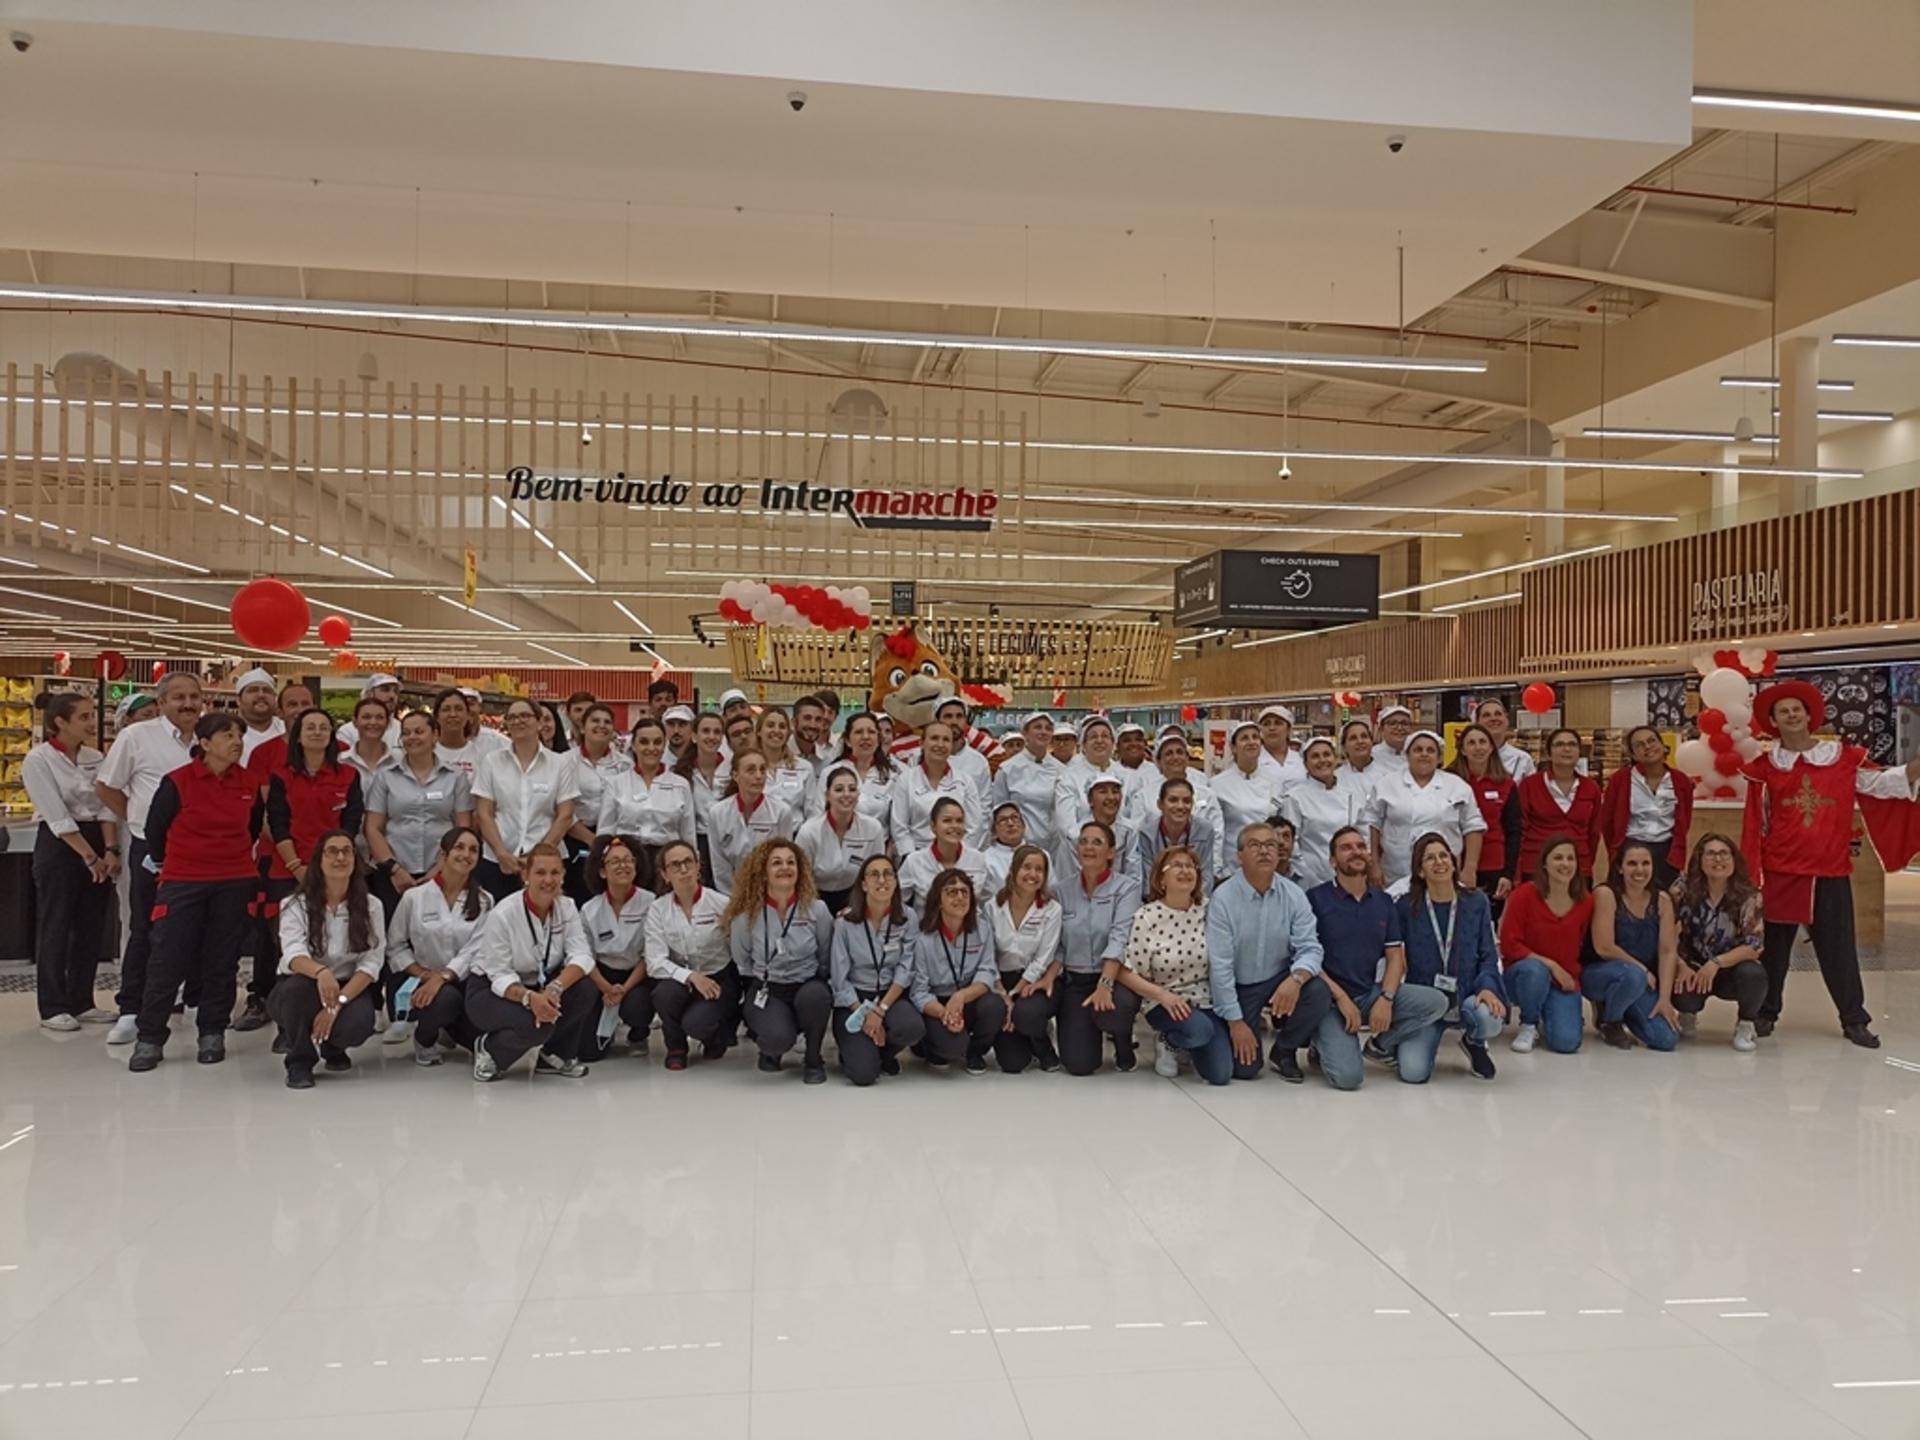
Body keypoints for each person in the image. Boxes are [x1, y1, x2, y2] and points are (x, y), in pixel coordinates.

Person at [1740, 679, 1920, 1048]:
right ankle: (1766, 1012)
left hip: (1829, 869)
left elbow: (1884, 784)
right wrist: (1752, 872)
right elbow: (1756, 821)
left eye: (1797, 709)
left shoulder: (1843, 759)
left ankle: (1854, 1019)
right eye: (1783, 711)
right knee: (1774, 951)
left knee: (1839, 949)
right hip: (1780, 870)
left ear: (1809, 716)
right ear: (1773, 721)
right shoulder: (1765, 768)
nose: (1791, 715)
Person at [125, 711, 257, 1072]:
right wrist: (173, 864)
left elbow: (252, 826)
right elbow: (155, 830)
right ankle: (150, 1036)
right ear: (205, 743)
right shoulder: (178, 781)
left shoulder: (248, 782)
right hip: (184, 880)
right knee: (167, 959)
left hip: (234, 879)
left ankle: (212, 1031)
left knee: (222, 959)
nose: (236, 742)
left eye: (239, 735)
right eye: (228, 735)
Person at [95, 670, 201, 1046]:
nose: (187, 704)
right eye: (178, 697)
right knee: (145, 928)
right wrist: (141, 820)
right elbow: (106, 786)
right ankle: (131, 1008)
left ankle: (194, 1001)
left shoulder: (209, 737)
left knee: (197, 927)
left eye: (194, 697)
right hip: (151, 849)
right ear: (162, 702)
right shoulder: (137, 736)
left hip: (199, 849)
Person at [246, 707, 366, 1033]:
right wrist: (297, 866)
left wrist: (330, 867)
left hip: (335, 868)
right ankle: (282, 1019)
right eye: (309, 727)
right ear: (297, 736)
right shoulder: (281, 775)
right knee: (282, 942)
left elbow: (350, 824)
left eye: (323, 727)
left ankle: (329, 1005)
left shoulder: (348, 775)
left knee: (326, 934)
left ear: (332, 736)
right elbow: (277, 823)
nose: (316, 732)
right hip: (288, 869)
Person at [1306, 827, 1447, 1090]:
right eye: (1346, 848)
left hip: (1368, 994)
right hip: (1330, 1001)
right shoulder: (1315, 899)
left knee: (1436, 1002)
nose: (1356, 852)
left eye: (1361, 846)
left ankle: (1380, 1045)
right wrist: (1341, 999)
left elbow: (1395, 958)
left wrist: (1386, 998)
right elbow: (1308, 959)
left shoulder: (1383, 902)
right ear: (1333, 861)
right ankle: (1319, 1043)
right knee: (1349, 1079)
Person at [1205, 822, 1332, 1083]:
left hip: (1278, 978)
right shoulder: (1223, 898)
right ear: (1239, 856)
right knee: (1245, 1070)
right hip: (1239, 986)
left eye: (1270, 845)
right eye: (1255, 845)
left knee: (1318, 990)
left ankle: (1284, 1049)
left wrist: (1295, 979)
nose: (1264, 851)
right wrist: (1235, 1022)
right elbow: (1220, 967)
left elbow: (1311, 948)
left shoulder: (1294, 894)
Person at [23, 691, 119, 1031]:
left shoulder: (96, 757)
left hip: (96, 840)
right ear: (60, 722)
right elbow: (56, 814)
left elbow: (106, 804)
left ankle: (82, 1001)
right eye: (84, 717)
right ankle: (53, 1006)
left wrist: (110, 850)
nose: (92, 722)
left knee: (90, 925)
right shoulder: (38, 759)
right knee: (57, 924)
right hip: (61, 845)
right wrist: (89, 856)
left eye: (93, 715)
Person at [1014, 821, 1143, 1074]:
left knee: (1117, 1010)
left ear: (1111, 852)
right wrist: (1048, 977)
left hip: (1113, 977)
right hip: (1074, 981)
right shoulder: (1061, 891)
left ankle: (1123, 1043)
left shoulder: (1126, 888)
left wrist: (1105, 985)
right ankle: (1046, 1049)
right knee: (1079, 1065)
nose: (1088, 847)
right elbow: (1058, 944)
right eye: (1083, 841)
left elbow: (1119, 938)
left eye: (1097, 842)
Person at [464, 844, 597, 1080]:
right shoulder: (503, 914)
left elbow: (582, 956)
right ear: (526, 875)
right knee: (537, 1026)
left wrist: (555, 988)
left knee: (585, 989)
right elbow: (499, 975)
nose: (548, 880)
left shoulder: (567, 907)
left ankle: (553, 1054)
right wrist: (529, 998)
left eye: (555, 873)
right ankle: (490, 1050)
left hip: (541, 985)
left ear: (563, 875)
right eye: (540, 873)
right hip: (491, 990)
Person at [269, 830, 385, 1088]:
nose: (340, 858)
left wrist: (336, 1005)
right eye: (332, 851)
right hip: (303, 982)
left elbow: (371, 962)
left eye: (347, 851)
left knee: (359, 1023)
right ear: (319, 861)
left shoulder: (372, 906)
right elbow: (293, 954)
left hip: (347, 987)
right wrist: (322, 973)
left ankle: (333, 1046)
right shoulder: (294, 904)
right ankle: (299, 1062)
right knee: (296, 993)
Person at [1397, 831, 1507, 1081]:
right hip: (1428, 1001)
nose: (1439, 862)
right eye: (1430, 858)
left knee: (1489, 1017)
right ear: (1420, 871)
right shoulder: (1406, 907)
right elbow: (1394, 957)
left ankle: (1474, 1041)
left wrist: (1488, 988)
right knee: (1413, 1073)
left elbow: (1488, 955)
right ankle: (1408, 1043)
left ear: (1453, 862)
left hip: (1467, 992)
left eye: (1444, 856)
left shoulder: (1476, 902)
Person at [727, 838, 836, 1083]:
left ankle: (813, 1058)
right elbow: (742, 960)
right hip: (768, 988)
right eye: (776, 863)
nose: (785, 868)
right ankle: (772, 1045)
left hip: (806, 985)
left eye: (790, 862)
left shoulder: (817, 910)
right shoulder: (746, 916)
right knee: (777, 1038)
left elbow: (825, 955)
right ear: (763, 872)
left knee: (817, 996)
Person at [1118, 845, 1228, 1083]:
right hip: (1164, 1001)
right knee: (1200, 1030)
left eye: (1190, 866)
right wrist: (1163, 996)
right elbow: (1126, 972)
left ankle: (1190, 1041)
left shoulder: (1209, 910)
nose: (1185, 871)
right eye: (1177, 865)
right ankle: (1169, 1040)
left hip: (1206, 1000)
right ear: (1161, 878)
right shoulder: (1146, 917)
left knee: (1220, 1075)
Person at [385, 825, 491, 1065]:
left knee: (480, 1041)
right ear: (443, 855)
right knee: (445, 1000)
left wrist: (444, 976)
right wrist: (424, 975)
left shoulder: (485, 900)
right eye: (459, 848)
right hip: (422, 981)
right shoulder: (415, 897)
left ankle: (449, 1029)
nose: (466, 854)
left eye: (473, 850)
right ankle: (425, 1038)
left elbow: (476, 950)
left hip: (466, 981)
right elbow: (395, 946)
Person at [365, 710, 474, 917]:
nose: (411, 737)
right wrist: (394, 869)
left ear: (435, 735)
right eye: (406, 733)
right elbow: (372, 828)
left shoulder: (455, 777)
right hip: (394, 872)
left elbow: (463, 829)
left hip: (444, 870)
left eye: (419, 731)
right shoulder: (385, 776)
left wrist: (439, 869)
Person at [472, 696, 581, 900]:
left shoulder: (560, 764)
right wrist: (501, 853)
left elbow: (565, 814)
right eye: (512, 717)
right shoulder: (492, 762)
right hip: (498, 861)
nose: (518, 721)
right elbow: (484, 813)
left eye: (525, 715)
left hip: (546, 864)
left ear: (539, 722)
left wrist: (539, 855)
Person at [828, 854, 924, 1085]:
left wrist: (880, 1011)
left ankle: (884, 1053)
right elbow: (839, 978)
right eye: (874, 874)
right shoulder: (845, 923)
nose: (882, 880)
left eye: (888, 874)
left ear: (896, 881)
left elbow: (906, 968)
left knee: (912, 1028)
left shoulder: (908, 917)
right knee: (863, 1076)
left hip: (890, 996)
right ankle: (858, 1052)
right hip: (855, 1000)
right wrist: (864, 1013)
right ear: (863, 884)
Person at [644, 839, 738, 1069]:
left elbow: (737, 949)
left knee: (696, 1023)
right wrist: (691, 977)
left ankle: (715, 1036)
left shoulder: (721, 903)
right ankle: (676, 1047)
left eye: (688, 862)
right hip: (682, 979)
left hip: (717, 980)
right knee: (664, 994)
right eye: (675, 865)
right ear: (665, 875)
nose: (683, 869)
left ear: (698, 866)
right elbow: (654, 962)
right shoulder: (658, 909)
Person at [1669, 834, 1767, 1051]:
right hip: (1693, 966)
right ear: (1699, 859)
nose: (1718, 859)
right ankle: (1687, 1012)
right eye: (1711, 854)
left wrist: (1716, 963)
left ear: (1734, 859)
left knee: (1754, 974)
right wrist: (1679, 964)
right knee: (1682, 992)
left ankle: (1746, 1023)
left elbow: (1754, 946)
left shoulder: (1749, 895)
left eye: (1724, 854)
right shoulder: (1682, 888)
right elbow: (1662, 932)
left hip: (1731, 967)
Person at [1499, 836, 1593, 1055]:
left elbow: (1584, 944)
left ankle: (1549, 1012)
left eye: (1570, 858)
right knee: (1535, 971)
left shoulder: (1586, 901)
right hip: (1525, 975)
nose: (1565, 864)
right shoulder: (1523, 895)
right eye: (1558, 858)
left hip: (1563, 980)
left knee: (1567, 1043)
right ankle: (1529, 1023)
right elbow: (1509, 945)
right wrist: (1551, 965)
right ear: (1544, 864)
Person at [906, 868, 1005, 1072]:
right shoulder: (923, 939)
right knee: (951, 1048)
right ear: (939, 900)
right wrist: (945, 1013)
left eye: (964, 892)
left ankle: (975, 1052)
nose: (959, 897)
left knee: (994, 1005)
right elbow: (919, 992)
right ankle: (930, 1045)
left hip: (967, 997)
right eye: (952, 892)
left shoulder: (982, 929)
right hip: (936, 1003)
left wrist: (961, 997)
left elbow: (987, 972)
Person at [1587, 839, 1682, 1052]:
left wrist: (1664, 999)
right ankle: (1609, 1021)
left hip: (1641, 981)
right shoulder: (1606, 894)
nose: (1640, 870)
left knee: (1666, 1040)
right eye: (1632, 863)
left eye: (1645, 863)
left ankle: (1624, 1007)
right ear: (1620, 868)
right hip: (1602, 974)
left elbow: (1667, 951)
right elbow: (1604, 947)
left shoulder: (1662, 900)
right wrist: (1642, 970)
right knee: (1633, 976)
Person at [1365, 730, 1484, 889]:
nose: (1424, 754)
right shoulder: (1386, 784)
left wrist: (1470, 869)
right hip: (1397, 871)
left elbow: (1473, 826)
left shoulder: (1458, 786)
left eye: (1430, 750)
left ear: (1439, 757)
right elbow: (1371, 824)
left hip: (1444, 872)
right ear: (1407, 755)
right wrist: (1374, 864)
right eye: (1418, 750)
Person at [578, 835, 657, 1061]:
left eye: (628, 860)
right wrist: (606, 988)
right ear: (602, 871)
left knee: (637, 1005)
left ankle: (639, 1033)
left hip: (639, 975)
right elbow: (585, 957)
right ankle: (606, 1028)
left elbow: (651, 955)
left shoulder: (652, 903)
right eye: (615, 861)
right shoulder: (589, 910)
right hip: (602, 976)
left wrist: (623, 989)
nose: (623, 865)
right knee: (588, 1053)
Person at [989, 843, 1064, 1073]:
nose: (1032, 874)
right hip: (1001, 981)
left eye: (1039, 869)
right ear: (1013, 870)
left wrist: (1015, 994)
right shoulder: (993, 906)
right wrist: (1003, 994)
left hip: (1036, 982)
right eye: (1026, 867)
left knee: (1026, 1014)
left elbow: (1043, 958)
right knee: (1012, 1064)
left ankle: (1042, 1044)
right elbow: (987, 956)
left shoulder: (1052, 909)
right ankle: (1025, 1032)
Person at [599, 714, 697, 881]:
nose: (651, 748)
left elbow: (688, 834)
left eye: (657, 742)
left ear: (664, 745)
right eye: (644, 742)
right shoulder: (615, 783)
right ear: (634, 745)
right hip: (627, 861)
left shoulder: (681, 784)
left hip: (668, 862)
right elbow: (605, 831)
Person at [1601, 725, 1695, 891]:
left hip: (1667, 854)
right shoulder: (1620, 780)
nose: (1647, 746)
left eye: (1652, 741)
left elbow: (1684, 820)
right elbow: (1607, 821)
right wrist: (1618, 851)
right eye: (1639, 745)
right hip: (1630, 850)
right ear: (1633, 755)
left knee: (1666, 901)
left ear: (1662, 745)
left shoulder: (1681, 781)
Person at [797, 764, 890, 912]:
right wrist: (816, 909)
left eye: (852, 789)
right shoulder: (809, 832)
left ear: (858, 795)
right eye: (839, 789)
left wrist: (858, 908)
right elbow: (801, 880)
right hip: (814, 898)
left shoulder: (873, 828)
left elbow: (876, 874)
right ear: (827, 795)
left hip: (856, 898)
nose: (846, 794)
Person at [1280, 736, 1368, 891]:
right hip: (1310, 880)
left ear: (1335, 758)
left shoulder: (1351, 794)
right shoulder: (1294, 797)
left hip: (1350, 876)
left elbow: (1364, 834)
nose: (1322, 760)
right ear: (1305, 764)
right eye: (1315, 756)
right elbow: (1292, 844)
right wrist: (1309, 878)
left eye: (1327, 754)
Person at [1515, 727, 1603, 881]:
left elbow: (1594, 833)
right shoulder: (1529, 785)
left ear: (1579, 752)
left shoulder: (1591, 788)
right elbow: (1519, 829)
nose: (1566, 749)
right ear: (1549, 753)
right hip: (1536, 866)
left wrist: (1587, 862)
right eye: (1559, 744)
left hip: (1578, 867)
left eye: (1572, 744)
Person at [1448, 723, 1520, 901]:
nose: (1478, 747)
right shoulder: (1448, 781)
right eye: (1471, 743)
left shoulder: (1506, 784)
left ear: (1491, 748)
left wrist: (1508, 874)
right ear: (1462, 750)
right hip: (1453, 863)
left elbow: (1514, 832)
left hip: (1494, 865)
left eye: (1482, 742)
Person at [708, 749, 795, 891]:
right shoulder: (717, 813)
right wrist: (732, 897)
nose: (759, 776)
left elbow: (784, 861)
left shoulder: (781, 812)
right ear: (735, 775)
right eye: (751, 770)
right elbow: (719, 865)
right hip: (731, 893)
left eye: (762, 770)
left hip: (771, 891)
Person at [891, 719, 983, 852]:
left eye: (946, 740)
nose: (940, 744)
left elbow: (974, 827)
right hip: (916, 854)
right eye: (934, 738)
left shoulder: (966, 781)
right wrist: (912, 858)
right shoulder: (906, 780)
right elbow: (899, 827)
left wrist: (959, 856)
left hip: (956, 855)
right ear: (922, 743)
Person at [564, 703, 629, 889]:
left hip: (614, 839)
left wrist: (606, 841)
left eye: (607, 722)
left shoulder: (625, 764)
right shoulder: (564, 761)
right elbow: (560, 805)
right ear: (582, 728)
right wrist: (590, 839)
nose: (601, 725)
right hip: (574, 836)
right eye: (595, 721)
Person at [1052, 715, 1146, 840]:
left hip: (1123, 846)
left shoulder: (1130, 777)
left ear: (1113, 743)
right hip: (1080, 847)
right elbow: (1066, 827)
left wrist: (1117, 843)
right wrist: (1095, 844)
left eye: (1105, 736)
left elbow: (1137, 820)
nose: (1099, 741)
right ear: (1083, 745)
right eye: (1093, 737)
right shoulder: (1068, 778)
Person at [1211, 721, 1282, 881]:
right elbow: (1216, 831)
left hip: (1267, 864)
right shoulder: (1217, 784)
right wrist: (1217, 868)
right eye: (1244, 738)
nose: (1251, 742)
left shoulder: (1274, 782)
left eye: (1255, 737)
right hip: (1231, 867)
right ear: (1233, 747)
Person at [899, 795, 992, 906]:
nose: (955, 826)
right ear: (933, 826)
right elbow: (896, 900)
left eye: (959, 821)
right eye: (947, 820)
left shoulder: (978, 859)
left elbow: (987, 901)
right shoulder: (914, 861)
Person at [990, 711, 1064, 847]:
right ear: (1025, 733)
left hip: (1055, 845)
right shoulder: (1007, 769)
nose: (1043, 732)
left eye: (1048, 728)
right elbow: (999, 809)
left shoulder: (1061, 770)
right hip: (1018, 845)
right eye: (1037, 727)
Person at [813, 710, 898, 828]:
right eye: (859, 732)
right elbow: (818, 816)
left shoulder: (893, 776)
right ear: (847, 741)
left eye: (871, 732)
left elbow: (898, 821)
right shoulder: (830, 772)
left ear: (878, 740)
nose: (866, 737)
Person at [673, 710, 729, 881]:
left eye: (717, 732)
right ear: (694, 736)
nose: (711, 737)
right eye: (706, 731)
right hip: (697, 841)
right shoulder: (680, 773)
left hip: (727, 842)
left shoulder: (732, 769)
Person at [1137, 776, 1216, 890]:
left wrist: (1193, 899)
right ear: (1160, 804)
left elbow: (1205, 876)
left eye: (1186, 801)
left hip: (1195, 897)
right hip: (1158, 897)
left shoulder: (1205, 830)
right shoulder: (1146, 834)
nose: (1180, 806)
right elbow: (1148, 880)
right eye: (1173, 800)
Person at [756, 705, 815, 814]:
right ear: (759, 731)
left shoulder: (804, 767)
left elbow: (812, 812)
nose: (776, 730)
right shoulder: (749, 767)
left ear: (788, 733)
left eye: (782, 726)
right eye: (770, 725)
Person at [431, 687, 486, 781]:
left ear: (468, 715)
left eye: (459, 709)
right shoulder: (426, 753)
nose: (453, 714)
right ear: (437, 717)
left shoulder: (481, 756)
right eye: (446, 709)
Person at [1474, 697, 1536, 781]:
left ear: (1507, 721)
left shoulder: (1523, 759)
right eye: (1486, 715)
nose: (1493, 718)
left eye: (1498, 714)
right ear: (1477, 723)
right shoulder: (1470, 759)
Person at [338, 673, 403, 749]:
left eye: (396, 691)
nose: (392, 696)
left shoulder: (402, 729)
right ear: (369, 694)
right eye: (385, 690)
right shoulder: (347, 732)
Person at [233, 667, 283, 765]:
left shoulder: (286, 731)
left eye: (267, 691)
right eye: (253, 690)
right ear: (238, 700)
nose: (261, 695)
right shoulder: (226, 733)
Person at [341, 696, 396, 785]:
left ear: (388, 723)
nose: (373, 722)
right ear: (355, 722)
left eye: (379, 717)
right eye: (366, 717)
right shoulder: (340, 761)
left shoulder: (399, 763)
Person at [1255, 704, 1307, 794]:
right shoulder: (1252, 759)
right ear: (1261, 730)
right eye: (1266, 724)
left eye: (1278, 723)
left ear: (1288, 729)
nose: (1272, 728)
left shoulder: (1302, 758)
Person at [982, 802, 1028, 892]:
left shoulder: (1040, 854)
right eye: (1003, 820)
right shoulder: (985, 860)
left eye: (1014, 817)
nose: (1010, 823)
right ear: (994, 830)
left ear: (1023, 825)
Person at [790, 693, 833, 780]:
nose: (812, 725)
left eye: (818, 719)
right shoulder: (779, 755)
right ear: (794, 722)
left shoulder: (826, 761)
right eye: (807, 718)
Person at [1337, 717, 1380, 796]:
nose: (1360, 741)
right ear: (1344, 747)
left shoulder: (1386, 775)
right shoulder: (1336, 779)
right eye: (1353, 738)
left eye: (1364, 736)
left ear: (1371, 742)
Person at [1370, 705, 1415, 780]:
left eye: (1405, 723)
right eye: (1392, 723)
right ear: (1381, 729)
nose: (1399, 728)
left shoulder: (1418, 755)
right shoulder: (1371, 756)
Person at [661, 703, 695, 768]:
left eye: (682, 724)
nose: (676, 730)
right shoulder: (658, 759)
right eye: (671, 724)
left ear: (692, 728)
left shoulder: (701, 758)